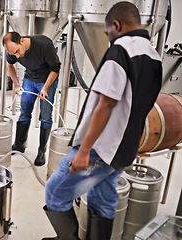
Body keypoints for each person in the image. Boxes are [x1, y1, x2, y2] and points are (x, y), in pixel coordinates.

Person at [43, 2, 162, 240]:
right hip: (126, 147)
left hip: (101, 147)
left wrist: (84, 150)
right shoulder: (154, 56)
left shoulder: (121, 51)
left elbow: (106, 103)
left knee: (55, 192)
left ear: (116, 25)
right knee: (104, 197)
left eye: (107, 33)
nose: (108, 38)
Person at [2, 32, 61, 166]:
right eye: (13, 54)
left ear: (22, 41)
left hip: (47, 80)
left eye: (17, 51)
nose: (17, 56)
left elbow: (55, 68)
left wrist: (45, 88)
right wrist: (16, 84)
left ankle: (41, 151)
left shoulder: (43, 45)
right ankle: (19, 144)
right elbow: (9, 65)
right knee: (24, 112)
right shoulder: (12, 51)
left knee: (45, 116)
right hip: (29, 79)